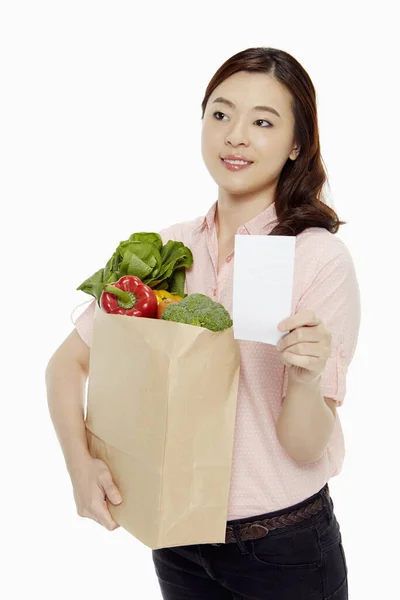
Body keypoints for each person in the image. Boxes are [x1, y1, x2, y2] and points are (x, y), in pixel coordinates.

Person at [45, 46, 360, 599]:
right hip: (176, 536)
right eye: (221, 113)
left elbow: (305, 446)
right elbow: (66, 364)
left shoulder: (317, 259)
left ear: (296, 145)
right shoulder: (166, 249)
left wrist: (307, 381)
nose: (235, 135)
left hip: (283, 547)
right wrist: (80, 464)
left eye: (263, 121)